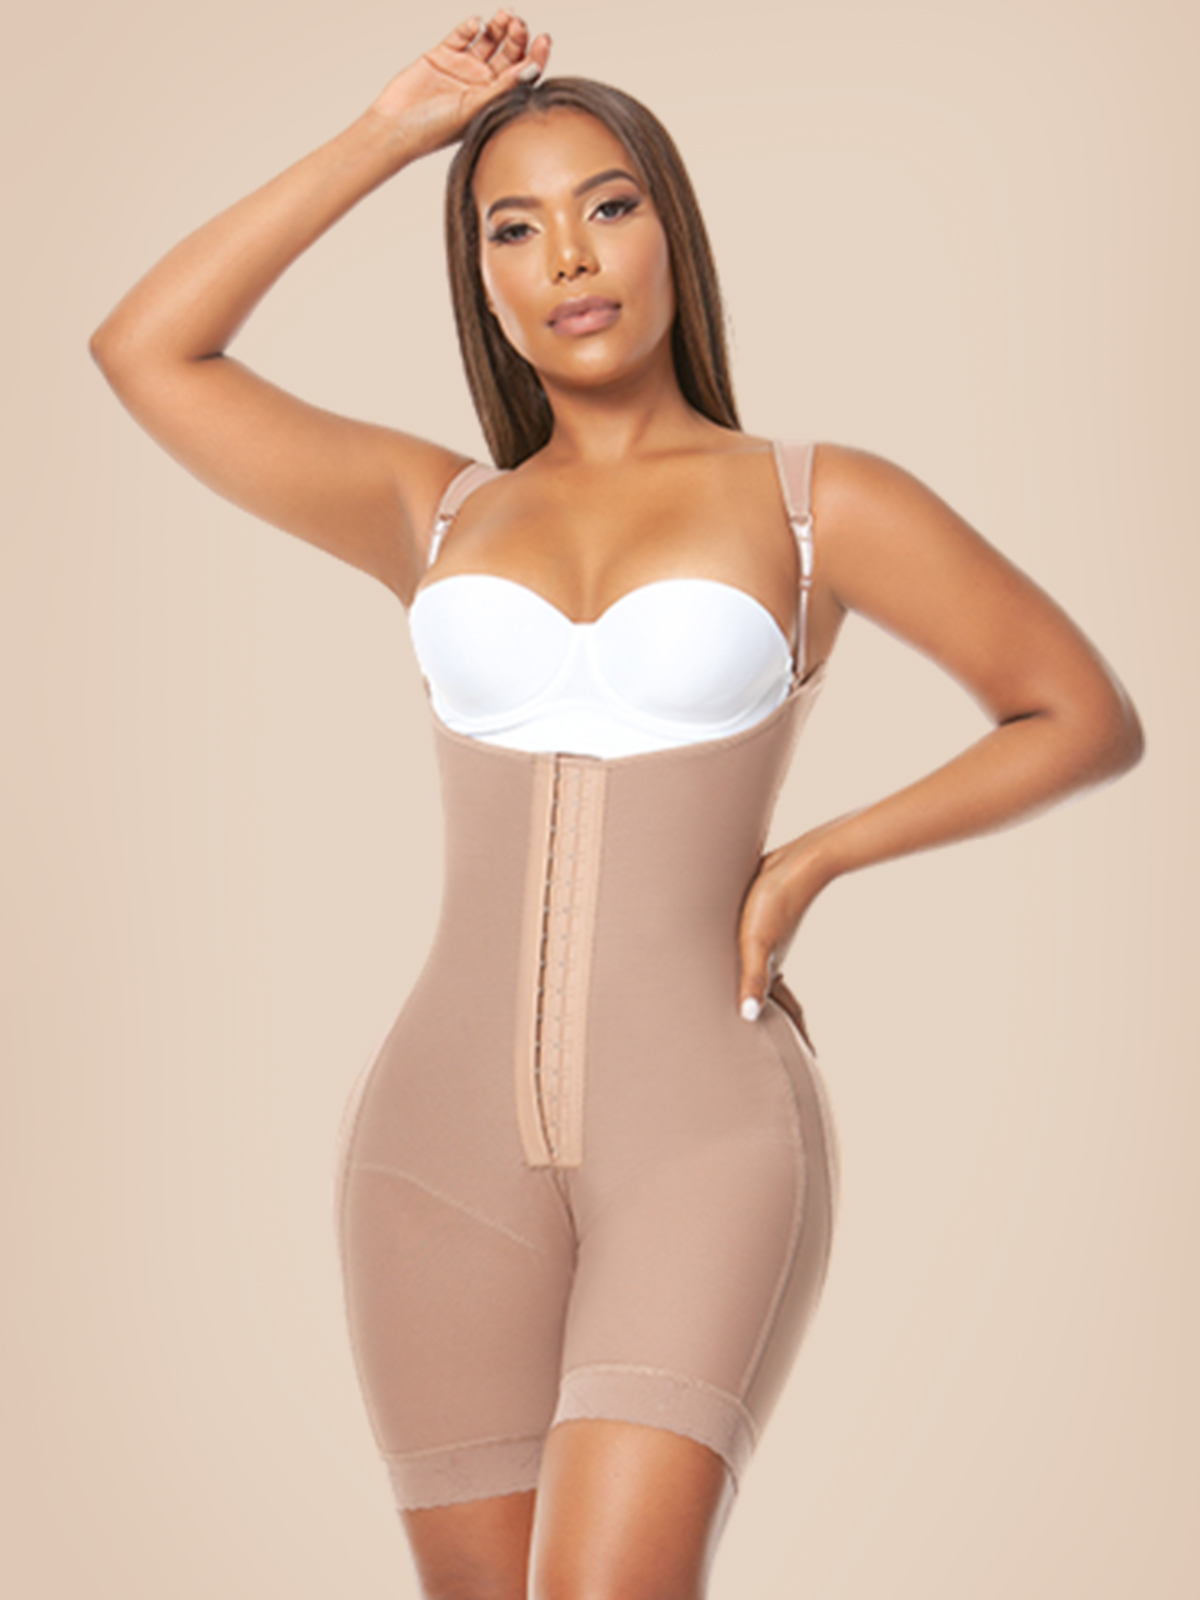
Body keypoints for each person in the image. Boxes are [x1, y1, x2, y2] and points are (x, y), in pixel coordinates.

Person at [88, 11, 1143, 1599]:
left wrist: (815, 860)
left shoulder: (815, 502)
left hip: (702, 1134)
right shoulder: (433, 512)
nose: (568, 256)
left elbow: (1079, 713)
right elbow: (147, 349)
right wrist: (394, 134)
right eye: (512, 227)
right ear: (480, 279)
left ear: (672, 232)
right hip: (433, 1147)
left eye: (608, 204)